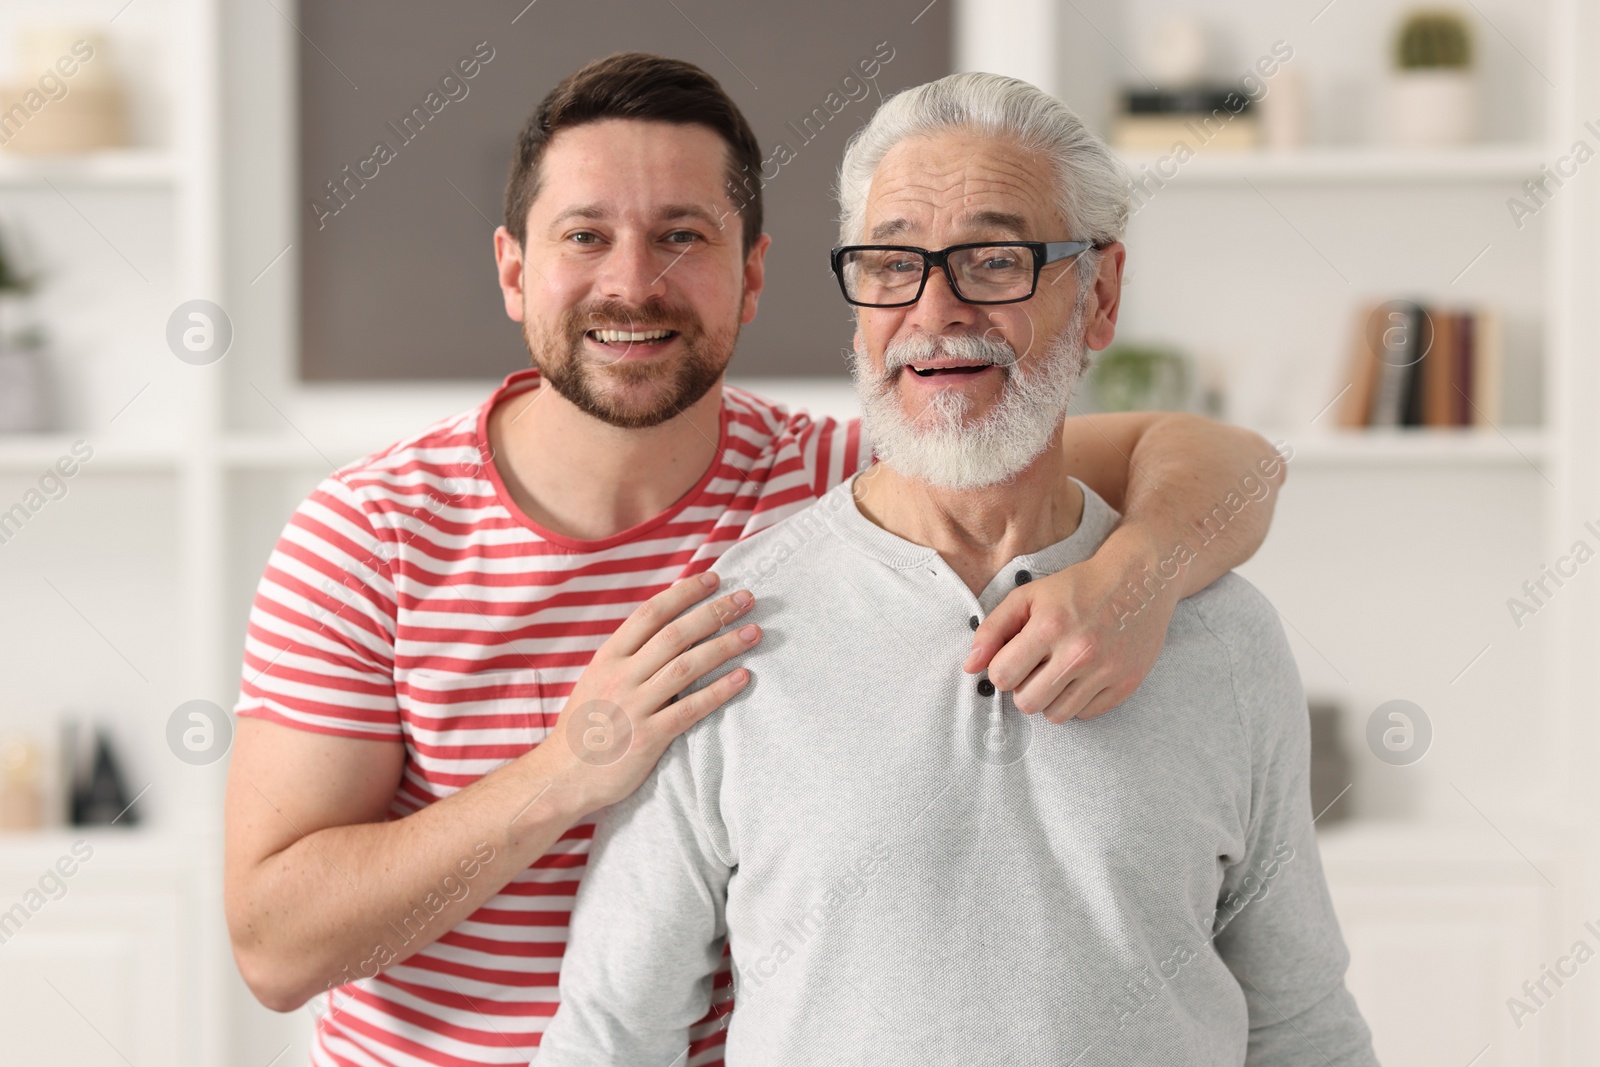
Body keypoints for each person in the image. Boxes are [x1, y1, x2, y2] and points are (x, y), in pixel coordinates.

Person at [223, 54, 1287, 1067]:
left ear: (756, 274)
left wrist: (1135, 577)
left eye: (682, 235)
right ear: (513, 270)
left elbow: (1217, 461)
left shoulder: (846, 479)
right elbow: (273, 949)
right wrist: (563, 773)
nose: (632, 283)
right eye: (584, 235)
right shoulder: (369, 536)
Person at [535, 71, 1374, 1066]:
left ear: (1099, 295)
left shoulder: (1222, 636)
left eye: (992, 257)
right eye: (891, 263)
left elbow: (1301, 1026)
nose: (934, 309)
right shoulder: (720, 634)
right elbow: (610, 1039)